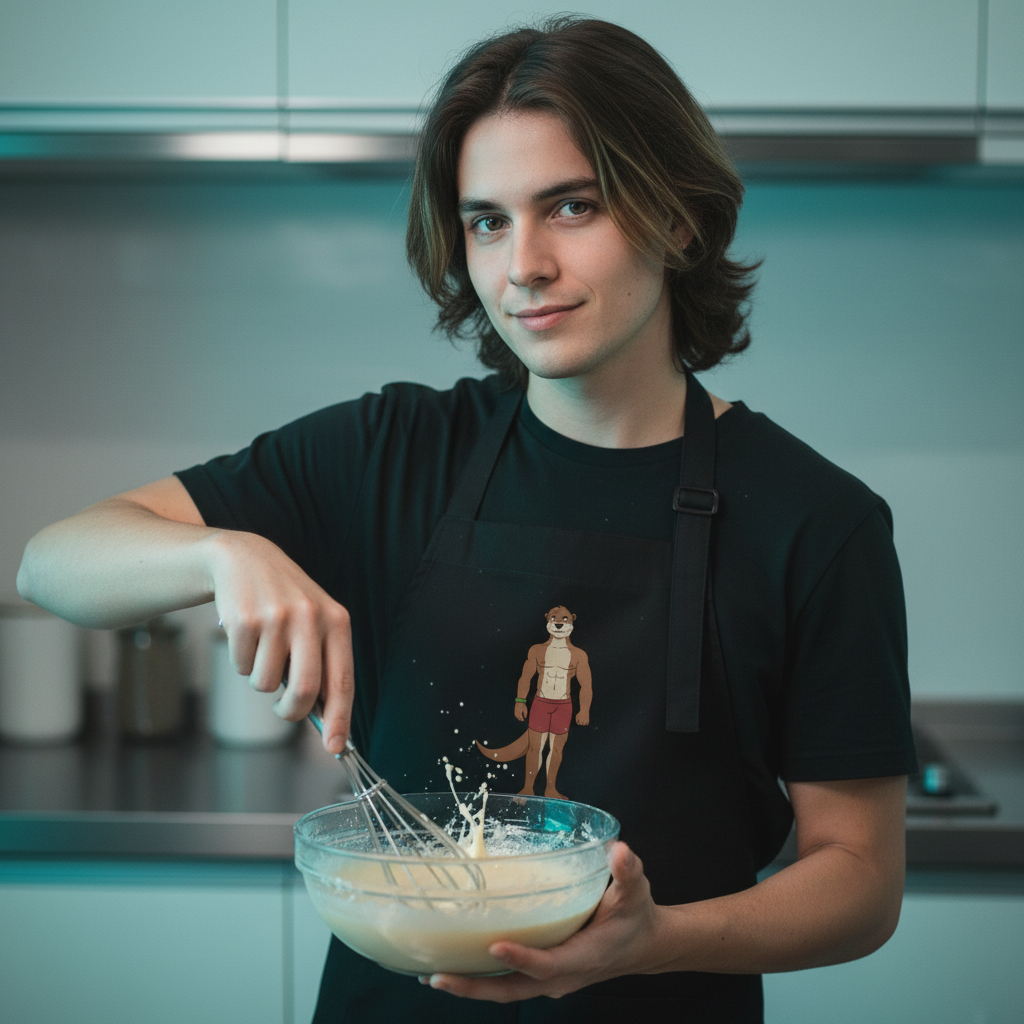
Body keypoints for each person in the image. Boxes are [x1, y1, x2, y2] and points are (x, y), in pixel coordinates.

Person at [17, 16, 916, 1023]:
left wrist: (656, 941)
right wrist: (222, 553)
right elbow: (52, 563)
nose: (521, 264)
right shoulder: (389, 450)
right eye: (487, 221)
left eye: (571, 206)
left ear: (676, 218)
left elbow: (860, 882)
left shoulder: (815, 521)